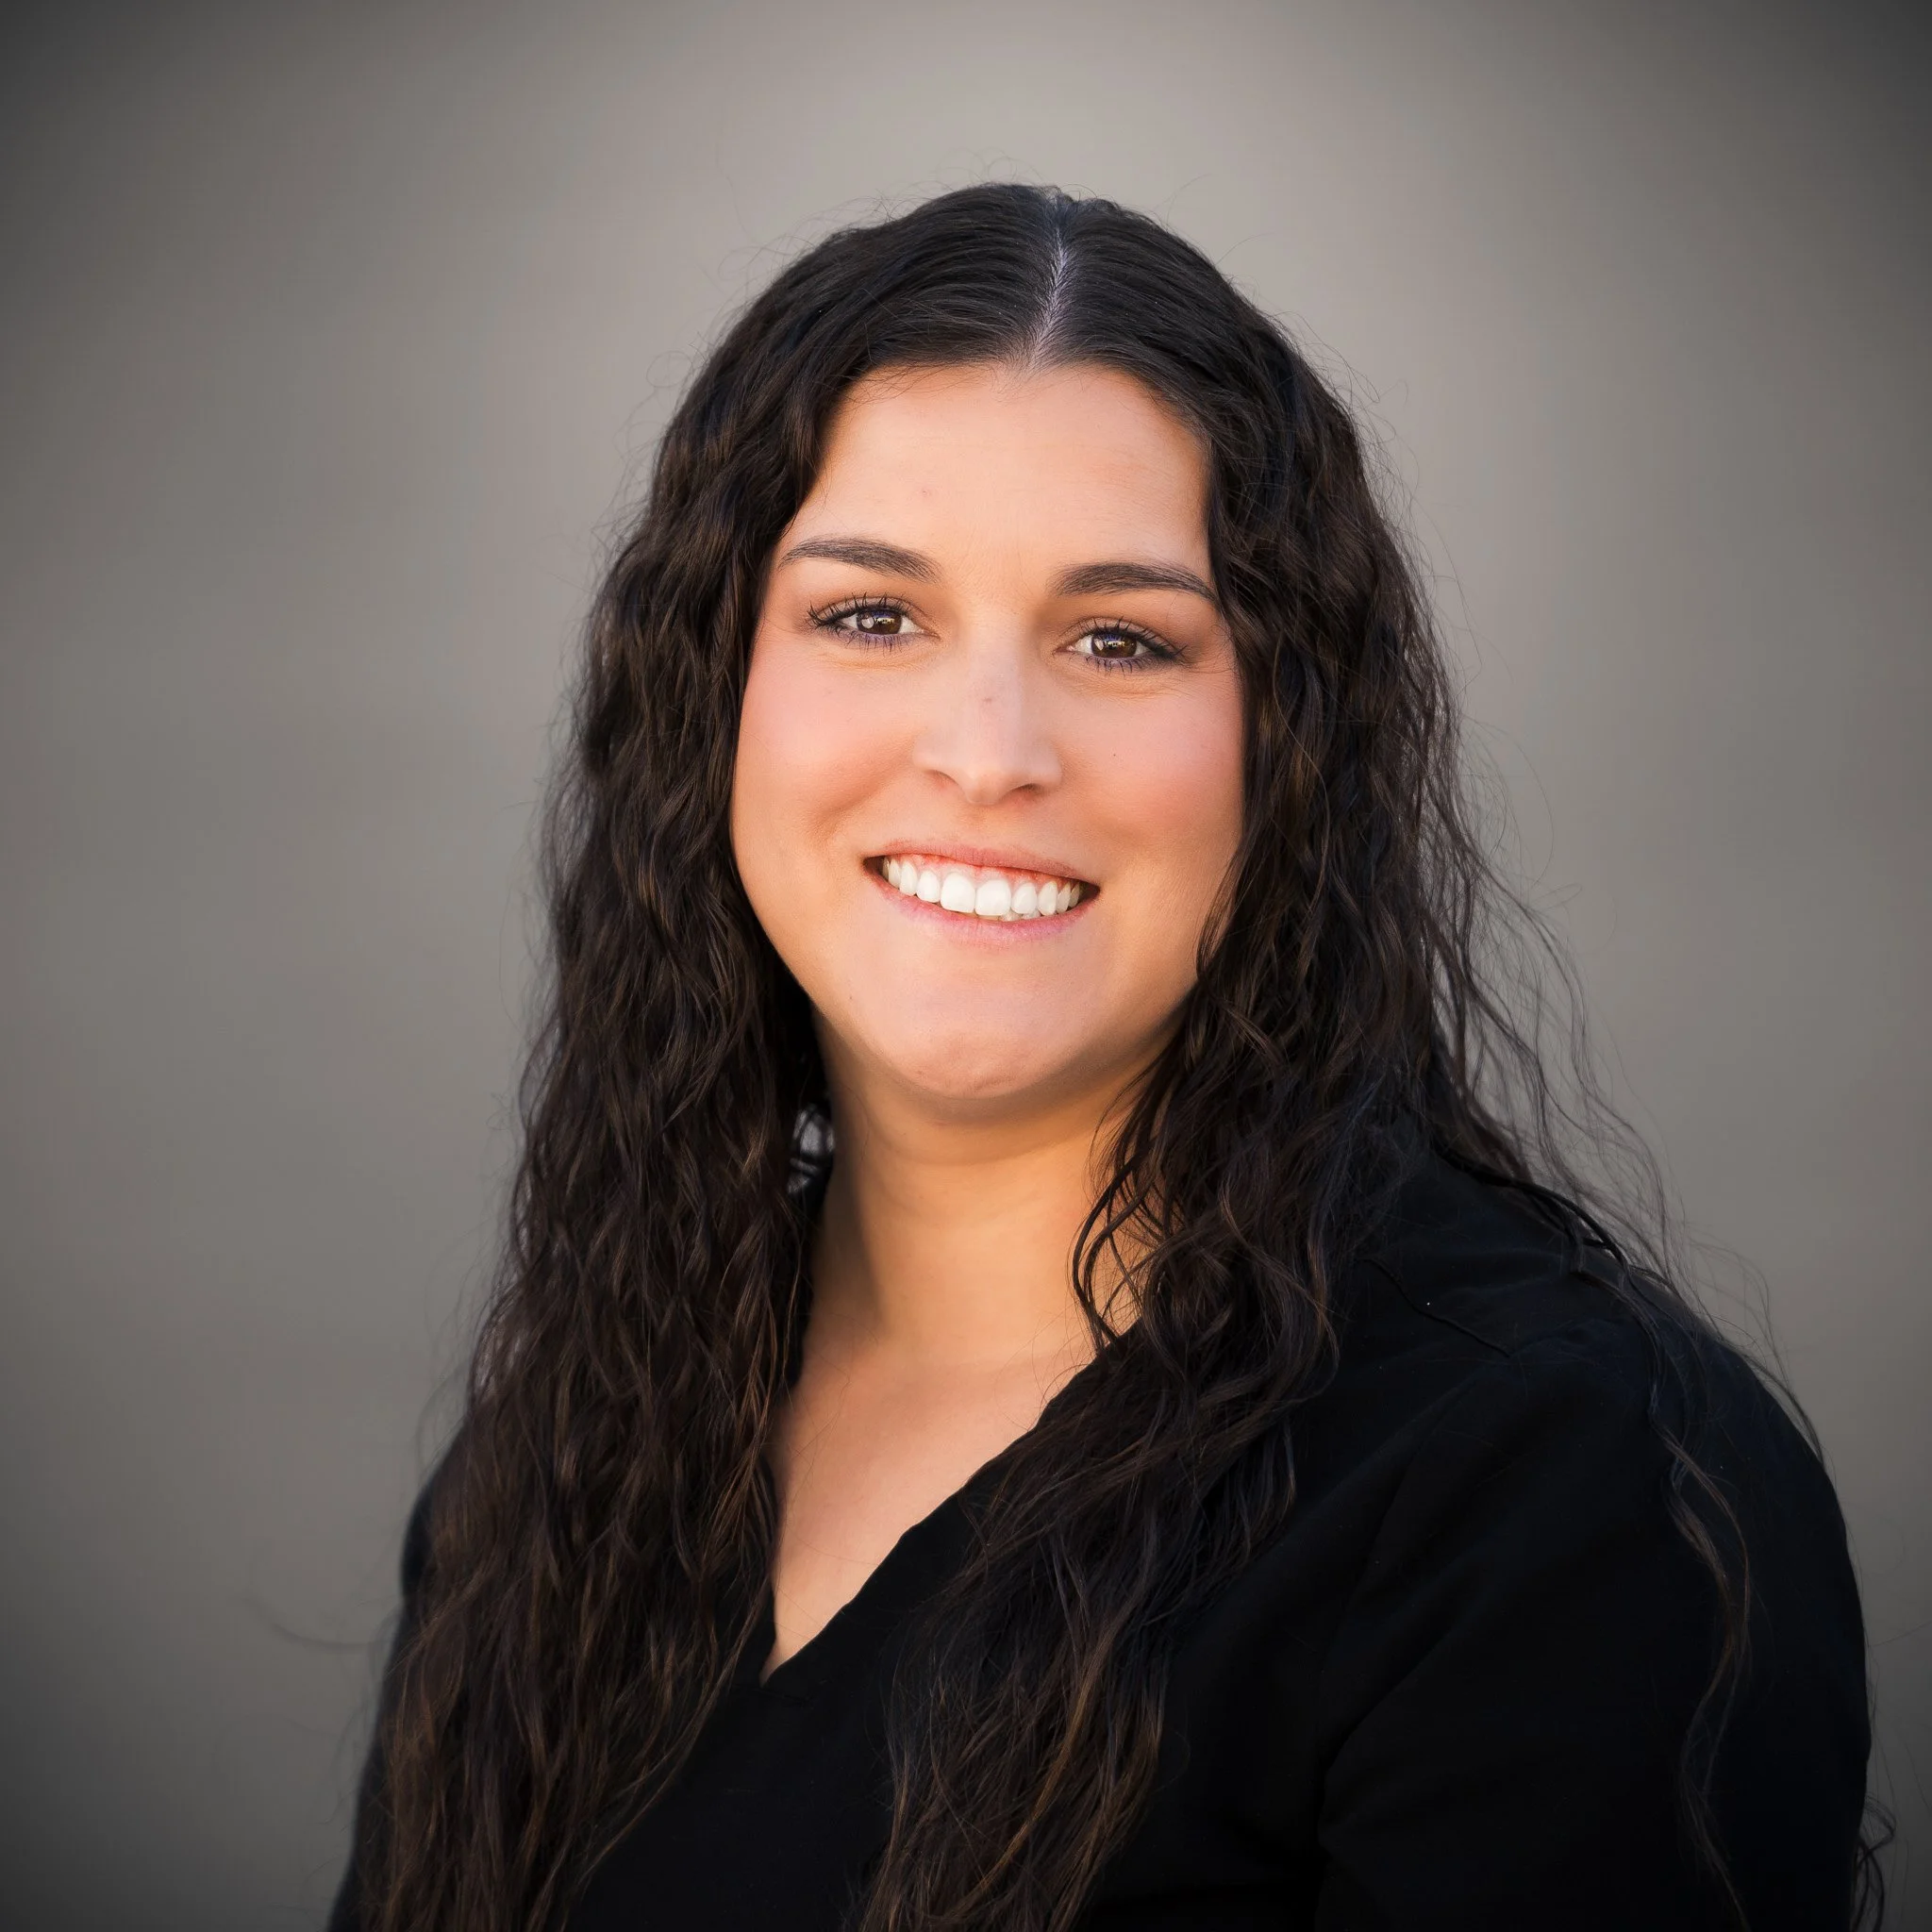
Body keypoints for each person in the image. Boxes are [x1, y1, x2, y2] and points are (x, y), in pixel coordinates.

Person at [329, 184, 1875, 1932]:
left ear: (1287, 750)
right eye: (868, 616)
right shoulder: (593, 1435)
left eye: (1120, 639)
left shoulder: (1564, 1500)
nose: (989, 752)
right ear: (712, 699)